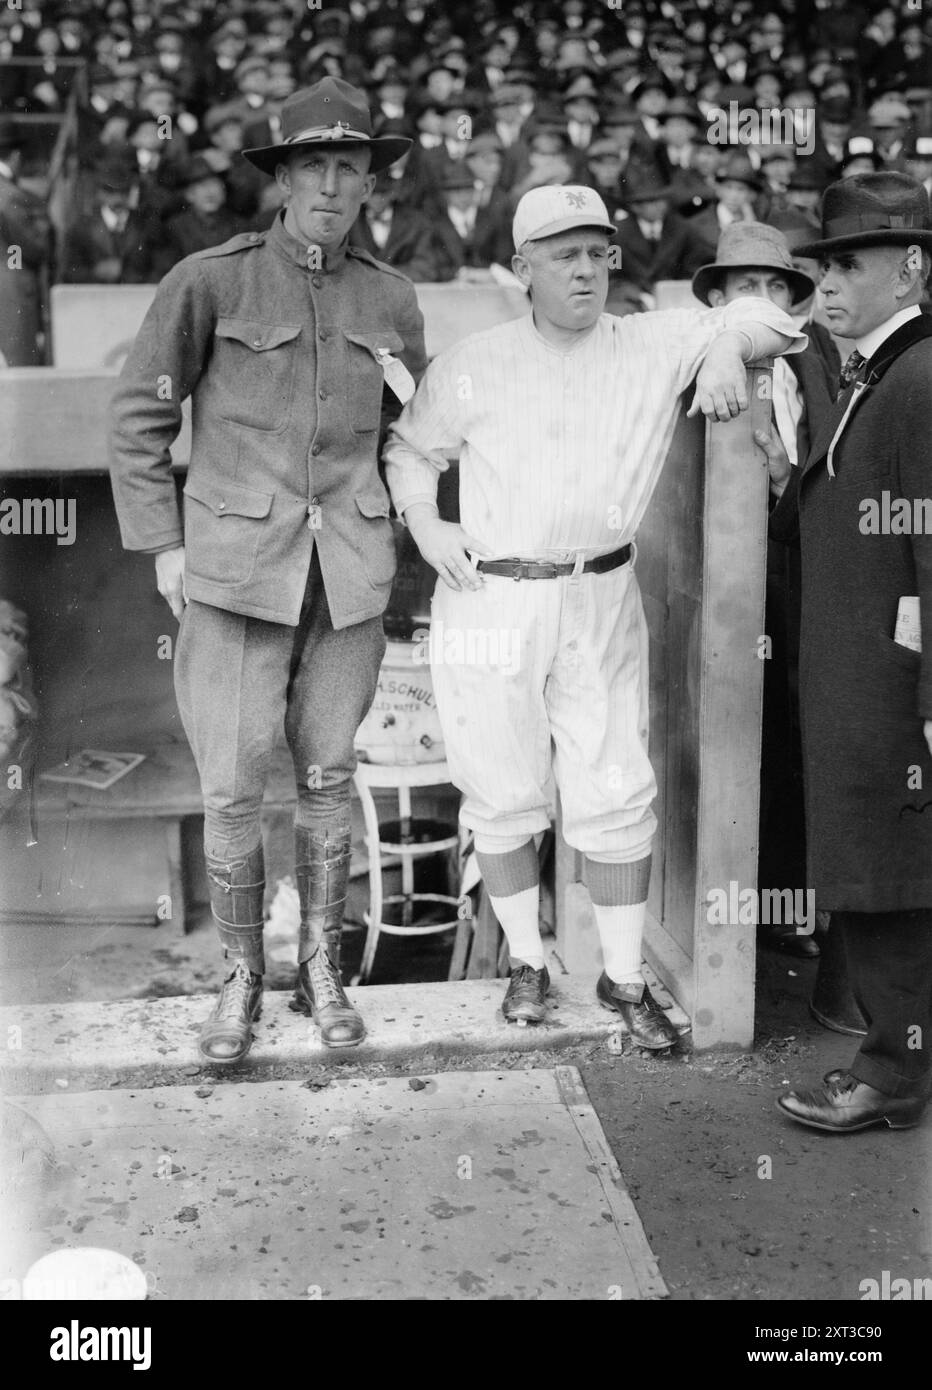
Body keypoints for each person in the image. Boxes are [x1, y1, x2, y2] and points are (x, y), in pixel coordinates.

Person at [383, 183, 806, 1047]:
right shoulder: (476, 359)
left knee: (616, 785)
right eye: (562, 254)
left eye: (596, 252)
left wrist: (725, 346)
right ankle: (529, 963)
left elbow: (779, 318)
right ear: (521, 268)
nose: (584, 270)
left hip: (601, 590)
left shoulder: (652, 341)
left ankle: (620, 979)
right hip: (490, 592)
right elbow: (409, 450)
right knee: (501, 791)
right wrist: (427, 525)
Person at [110, 78, 427, 1065]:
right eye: (314, 167)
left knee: (329, 776)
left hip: (349, 575)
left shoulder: (391, 296)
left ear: (371, 185)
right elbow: (138, 421)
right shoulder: (209, 281)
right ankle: (242, 974)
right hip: (237, 572)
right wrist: (166, 545)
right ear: (281, 181)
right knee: (234, 784)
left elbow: (410, 433)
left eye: (352, 169)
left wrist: (404, 542)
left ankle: (320, 968)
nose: (333, 185)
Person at [766, 172, 932, 1132]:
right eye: (820, 267)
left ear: (910, 267)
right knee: (878, 876)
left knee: (893, 884)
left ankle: (892, 1073)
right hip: (853, 679)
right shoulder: (868, 368)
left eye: (849, 265)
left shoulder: (918, 376)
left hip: (890, 685)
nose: (824, 285)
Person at [691, 223, 836, 961]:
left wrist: (785, 476)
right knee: (730, 736)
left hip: (800, 571)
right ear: (716, 297)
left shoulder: (819, 365)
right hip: (715, 585)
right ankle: (719, 929)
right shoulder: (693, 362)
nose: (764, 302)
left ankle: (786, 906)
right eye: (746, 286)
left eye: (778, 287)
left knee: (794, 730)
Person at [0, 118, 51, 367]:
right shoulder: (10, 196)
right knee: (19, 365)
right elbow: (34, 247)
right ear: (16, 156)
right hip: (10, 288)